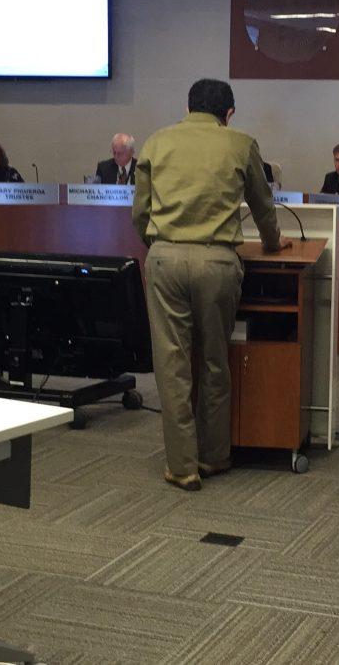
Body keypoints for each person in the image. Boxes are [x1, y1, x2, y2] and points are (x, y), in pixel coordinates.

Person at [132, 78, 289, 491]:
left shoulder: (155, 142)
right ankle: (215, 457)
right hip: (218, 263)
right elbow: (262, 205)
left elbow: (139, 212)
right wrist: (273, 244)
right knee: (216, 360)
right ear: (229, 113)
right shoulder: (241, 143)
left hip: (165, 259)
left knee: (172, 366)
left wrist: (161, 245)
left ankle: (182, 466)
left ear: (188, 107)